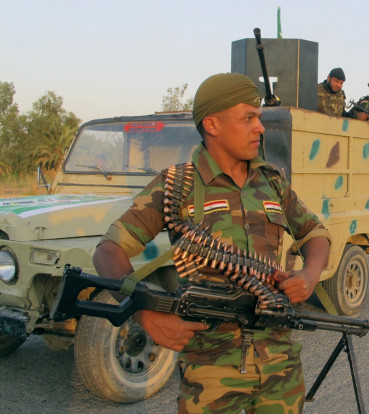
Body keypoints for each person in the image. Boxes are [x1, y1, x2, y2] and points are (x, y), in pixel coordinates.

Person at [92, 72, 331, 413]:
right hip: (211, 368)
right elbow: (108, 252)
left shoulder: (272, 183)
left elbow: (315, 234)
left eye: (259, 119)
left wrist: (309, 275)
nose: (260, 128)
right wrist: (143, 312)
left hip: (279, 360)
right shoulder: (176, 186)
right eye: (248, 118)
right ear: (213, 124)